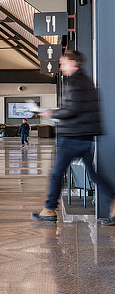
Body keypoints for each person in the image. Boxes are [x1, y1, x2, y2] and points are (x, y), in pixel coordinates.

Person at [32, 51, 115, 223]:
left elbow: (71, 110)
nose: (61, 67)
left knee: (56, 173)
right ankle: (114, 201)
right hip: (84, 136)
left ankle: (49, 209)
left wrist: (50, 113)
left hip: (72, 136)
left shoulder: (76, 83)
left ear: (73, 63)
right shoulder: (86, 82)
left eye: (63, 63)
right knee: (94, 175)